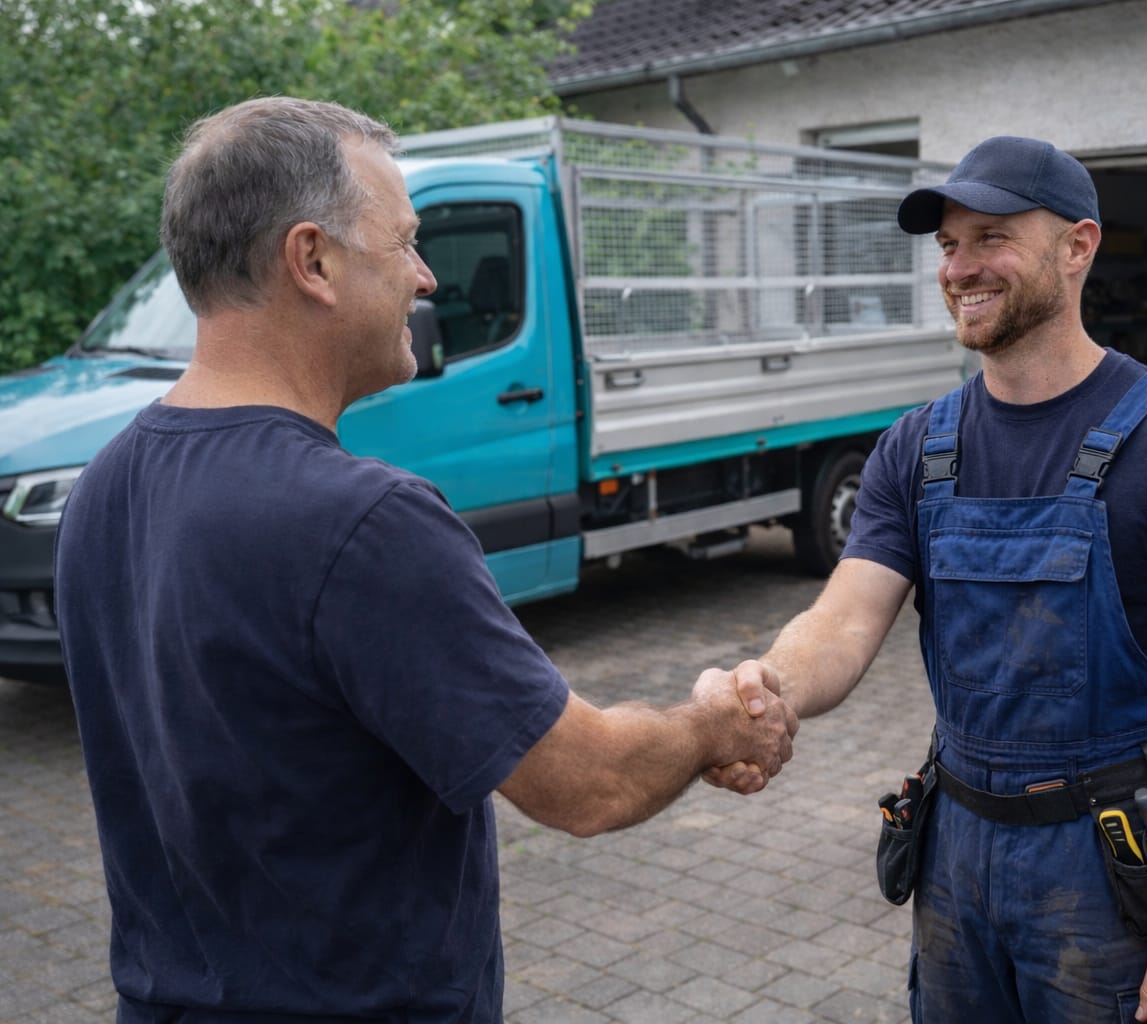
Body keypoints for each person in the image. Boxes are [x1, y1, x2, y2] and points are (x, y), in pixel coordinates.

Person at [53, 97, 796, 1023]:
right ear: (312, 259)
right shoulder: (364, 523)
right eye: (403, 243)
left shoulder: (101, 488)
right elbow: (588, 784)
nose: (427, 277)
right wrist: (715, 724)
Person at [705, 136, 1147, 1023]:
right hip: (957, 860)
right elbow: (847, 617)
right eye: (948, 245)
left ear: (1078, 246)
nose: (961, 267)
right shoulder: (917, 446)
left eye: (991, 237)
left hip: (1117, 871)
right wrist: (769, 684)